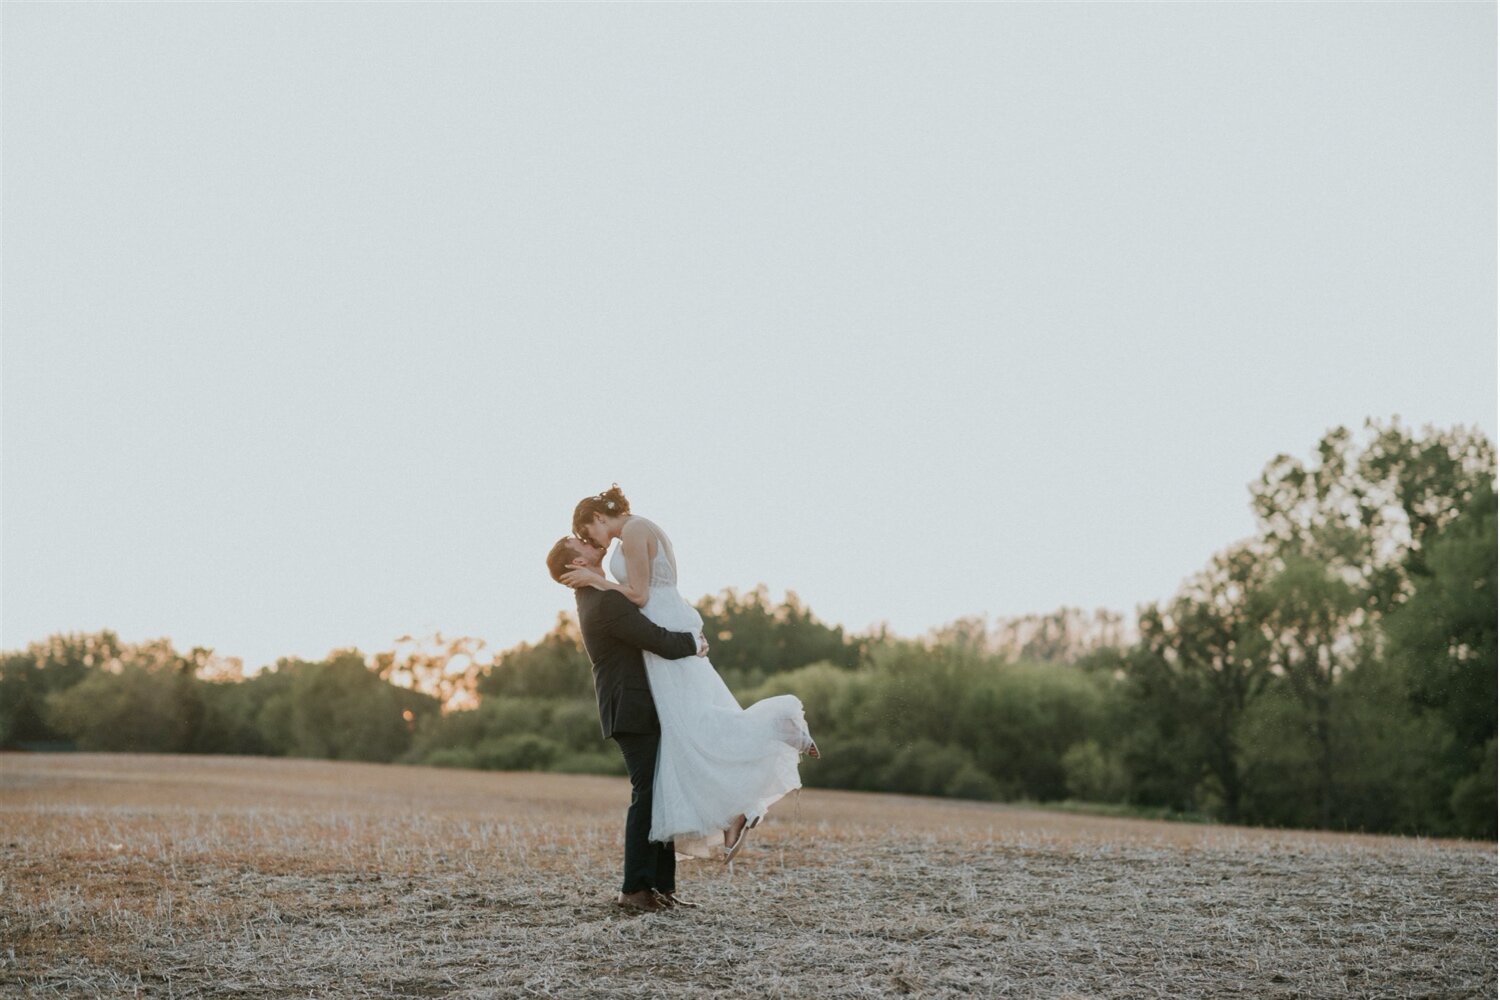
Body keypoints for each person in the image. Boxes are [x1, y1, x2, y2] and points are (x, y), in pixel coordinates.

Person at [561, 484, 818, 863]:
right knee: (691, 726)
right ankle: (734, 809)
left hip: (663, 626)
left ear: (599, 517)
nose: (592, 540)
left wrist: (598, 581)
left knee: (693, 723)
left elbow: (639, 596)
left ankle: (775, 725)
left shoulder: (632, 531)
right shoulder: (635, 531)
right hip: (666, 624)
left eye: (589, 531)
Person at [547, 533, 709, 913]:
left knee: (660, 792)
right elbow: (656, 640)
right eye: (579, 542)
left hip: (637, 705)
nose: (588, 539)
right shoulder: (604, 602)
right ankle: (634, 890)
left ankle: (661, 889)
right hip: (631, 708)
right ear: (577, 564)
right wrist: (694, 643)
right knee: (648, 795)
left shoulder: (598, 596)